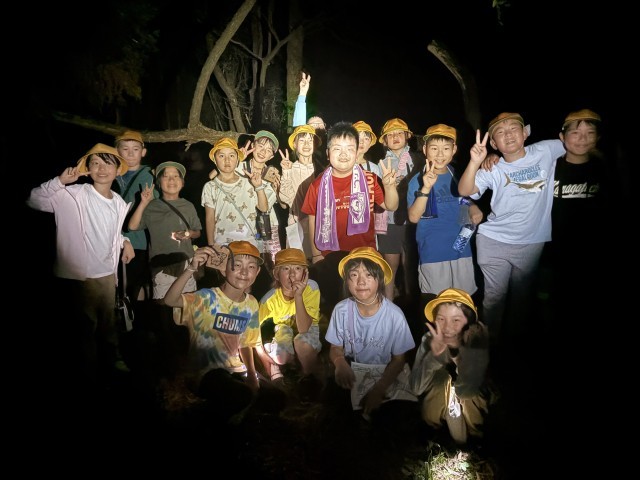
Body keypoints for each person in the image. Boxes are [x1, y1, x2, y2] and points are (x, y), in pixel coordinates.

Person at [26, 143, 135, 389]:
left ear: (118, 169)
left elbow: (111, 232)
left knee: (109, 325)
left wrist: (124, 241)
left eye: (108, 163)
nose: (101, 168)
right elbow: (34, 200)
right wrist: (59, 182)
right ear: (87, 169)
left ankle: (113, 361)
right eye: (95, 163)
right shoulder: (73, 194)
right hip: (81, 276)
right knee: (84, 329)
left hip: (108, 275)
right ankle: (88, 373)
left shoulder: (118, 202)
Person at [458, 112, 565, 348]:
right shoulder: (493, 168)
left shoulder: (546, 150)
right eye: (500, 132)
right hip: (493, 240)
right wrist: (476, 161)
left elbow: (577, 143)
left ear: (525, 133)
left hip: (531, 243)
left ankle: (514, 349)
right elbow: (464, 190)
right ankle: (488, 349)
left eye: (513, 128)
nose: (508, 134)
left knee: (522, 300)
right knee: (494, 299)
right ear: (494, 143)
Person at [162, 241, 284, 422]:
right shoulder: (206, 298)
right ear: (224, 269)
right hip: (206, 373)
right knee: (240, 395)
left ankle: (232, 413)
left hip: (235, 369)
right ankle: (204, 420)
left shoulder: (251, 303)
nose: (244, 272)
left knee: (277, 398)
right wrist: (191, 268)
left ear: (257, 272)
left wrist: (252, 375)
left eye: (251, 267)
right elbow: (170, 300)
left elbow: (246, 343)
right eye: (237, 265)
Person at [300, 121, 398, 312]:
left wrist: (389, 186)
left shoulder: (370, 179)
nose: (343, 154)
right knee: (336, 306)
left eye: (349, 149)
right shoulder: (318, 185)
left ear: (357, 152)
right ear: (328, 153)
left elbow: (391, 205)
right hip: (331, 256)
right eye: (337, 148)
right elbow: (313, 218)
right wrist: (316, 254)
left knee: (365, 304)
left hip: (364, 254)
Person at [325, 247, 416, 421]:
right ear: (347, 280)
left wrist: (378, 390)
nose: (361, 282)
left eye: (368, 275)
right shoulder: (341, 310)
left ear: (380, 279)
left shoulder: (394, 315)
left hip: (386, 371)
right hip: (354, 370)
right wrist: (339, 363)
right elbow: (335, 347)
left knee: (394, 416)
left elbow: (399, 360)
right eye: (354, 275)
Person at [407, 124, 483, 311]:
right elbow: (414, 217)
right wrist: (426, 188)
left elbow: (463, 201)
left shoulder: (457, 174)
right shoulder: (417, 180)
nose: (440, 154)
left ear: (454, 149)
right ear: (425, 149)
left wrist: (473, 207)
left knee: (463, 303)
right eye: (434, 148)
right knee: (436, 305)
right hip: (433, 253)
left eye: (446, 148)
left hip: (461, 249)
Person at [410, 288, 491, 445]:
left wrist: (457, 355)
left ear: (469, 323)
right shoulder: (428, 340)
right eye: (441, 319)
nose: (447, 327)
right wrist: (432, 357)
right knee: (440, 378)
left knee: (471, 390)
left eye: (456, 320)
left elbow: (470, 388)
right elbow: (416, 388)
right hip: (440, 411)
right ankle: (434, 433)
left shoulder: (477, 341)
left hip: (468, 404)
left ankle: (476, 437)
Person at [128, 161, 202, 301]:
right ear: (158, 183)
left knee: (187, 305)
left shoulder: (188, 206)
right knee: (163, 305)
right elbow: (132, 226)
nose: (171, 180)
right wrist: (143, 202)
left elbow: (197, 232)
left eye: (176, 176)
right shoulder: (151, 206)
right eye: (166, 176)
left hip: (186, 263)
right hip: (160, 267)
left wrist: (188, 234)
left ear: (182, 183)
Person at [255, 248, 322, 396]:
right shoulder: (269, 299)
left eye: (297, 269)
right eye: (286, 269)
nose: (292, 275)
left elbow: (304, 328)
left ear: (305, 273)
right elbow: (252, 332)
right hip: (284, 328)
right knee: (281, 356)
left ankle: (309, 377)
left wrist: (298, 296)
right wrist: (265, 358)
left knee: (302, 342)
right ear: (276, 274)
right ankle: (291, 365)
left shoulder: (311, 287)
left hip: (308, 327)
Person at [377, 118, 424, 302]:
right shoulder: (381, 164)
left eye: (399, 133)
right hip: (390, 221)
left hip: (413, 220)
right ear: (385, 141)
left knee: (410, 265)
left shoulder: (419, 159)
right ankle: (388, 305)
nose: (395, 137)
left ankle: (411, 304)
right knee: (390, 266)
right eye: (390, 135)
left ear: (407, 136)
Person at [114, 130, 158, 307]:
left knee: (135, 286)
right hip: (113, 241)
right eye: (125, 149)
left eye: (135, 149)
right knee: (117, 287)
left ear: (143, 152)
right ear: (117, 151)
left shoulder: (151, 176)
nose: (130, 153)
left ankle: (137, 319)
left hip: (139, 241)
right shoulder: (109, 174)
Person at [236, 130, 284, 265]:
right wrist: (236, 159)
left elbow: (275, 206)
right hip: (240, 223)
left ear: (271, 156)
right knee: (242, 262)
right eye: (261, 146)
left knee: (269, 265)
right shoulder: (239, 166)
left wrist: (278, 189)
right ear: (253, 145)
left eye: (268, 150)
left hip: (266, 226)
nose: (263, 151)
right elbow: (212, 177)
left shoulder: (273, 174)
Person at [278, 124, 322, 259]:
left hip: (320, 225)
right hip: (297, 224)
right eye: (302, 140)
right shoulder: (290, 168)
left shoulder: (322, 169)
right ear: (295, 144)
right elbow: (286, 198)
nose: (307, 144)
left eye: (310, 140)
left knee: (320, 263)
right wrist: (286, 172)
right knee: (297, 262)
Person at [292, 72, 328, 171]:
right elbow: (299, 127)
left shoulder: (331, 147)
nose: (317, 127)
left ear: (325, 128)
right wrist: (302, 94)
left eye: (319, 124)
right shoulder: (302, 148)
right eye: (313, 125)